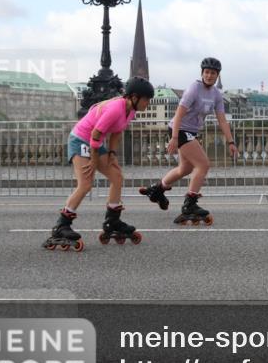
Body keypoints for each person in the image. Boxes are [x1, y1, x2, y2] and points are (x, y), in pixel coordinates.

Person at [45, 76, 155, 251]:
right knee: (86, 184)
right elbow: (95, 135)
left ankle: (112, 220)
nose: (148, 103)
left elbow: (117, 132)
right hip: (81, 139)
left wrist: (112, 153)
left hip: (94, 143)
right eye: (146, 100)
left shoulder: (130, 110)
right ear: (134, 97)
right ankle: (61, 226)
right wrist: (95, 160)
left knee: (117, 177)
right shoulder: (115, 109)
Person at [139, 57, 238, 225]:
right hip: (180, 129)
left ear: (217, 76)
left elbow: (222, 120)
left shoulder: (216, 95)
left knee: (185, 168)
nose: (209, 76)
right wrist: (175, 138)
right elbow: (178, 115)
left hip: (191, 131)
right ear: (202, 73)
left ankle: (157, 190)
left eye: (212, 73)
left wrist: (231, 142)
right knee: (203, 165)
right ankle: (189, 205)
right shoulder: (194, 89)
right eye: (206, 72)